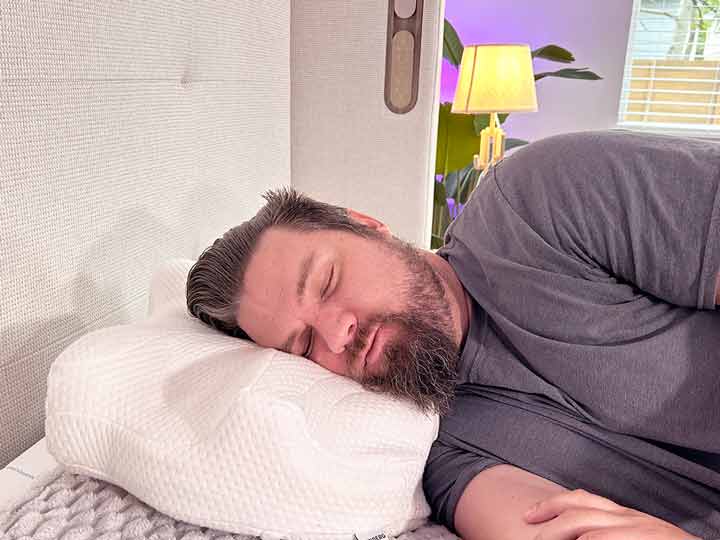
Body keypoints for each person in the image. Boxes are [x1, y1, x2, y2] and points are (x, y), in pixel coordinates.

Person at [186, 130, 720, 540]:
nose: (335, 332)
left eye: (327, 280)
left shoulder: (537, 202)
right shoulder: (443, 452)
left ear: (367, 224)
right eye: (301, 345)